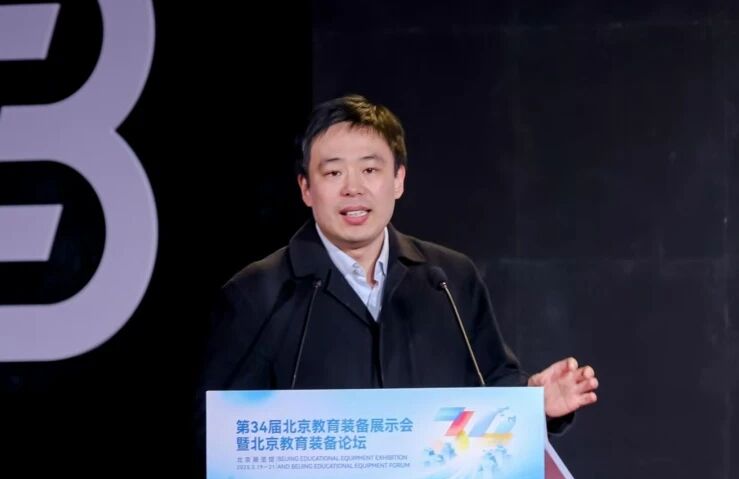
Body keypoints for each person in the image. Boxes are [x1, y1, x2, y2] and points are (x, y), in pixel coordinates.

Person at [197, 94, 597, 434]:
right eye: (333, 172)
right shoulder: (257, 294)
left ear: (398, 179)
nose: (353, 188)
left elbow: (491, 384)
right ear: (306, 188)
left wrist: (534, 400)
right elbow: (218, 433)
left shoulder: (448, 280)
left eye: (370, 170)